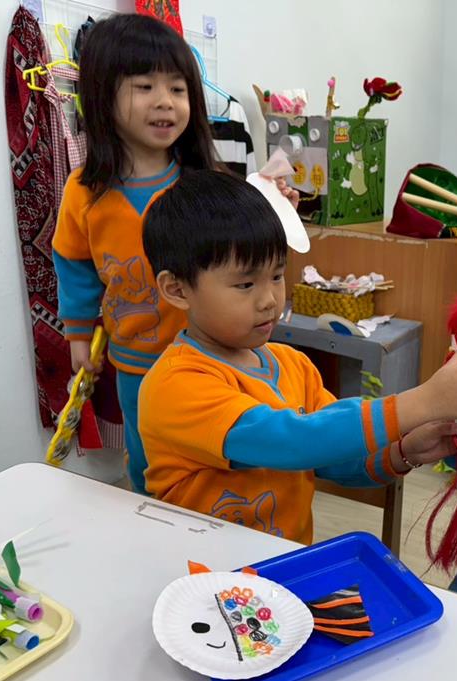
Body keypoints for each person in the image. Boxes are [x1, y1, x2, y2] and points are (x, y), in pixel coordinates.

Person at [138, 170, 457, 543]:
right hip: (199, 574)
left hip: (278, 571)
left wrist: (404, 451)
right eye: (244, 284)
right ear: (177, 289)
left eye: (276, 275)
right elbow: (291, 441)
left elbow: (333, 458)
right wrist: (422, 402)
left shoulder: (293, 366)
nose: (269, 299)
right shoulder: (175, 384)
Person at [52, 14, 295, 493]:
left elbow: (250, 249)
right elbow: (76, 267)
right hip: (137, 364)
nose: (165, 101)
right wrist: (78, 336)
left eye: (178, 89)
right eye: (145, 87)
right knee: (149, 470)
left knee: (224, 466)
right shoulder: (84, 191)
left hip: (216, 357)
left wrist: (276, 207)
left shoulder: (206, 182)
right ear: (101, 95)